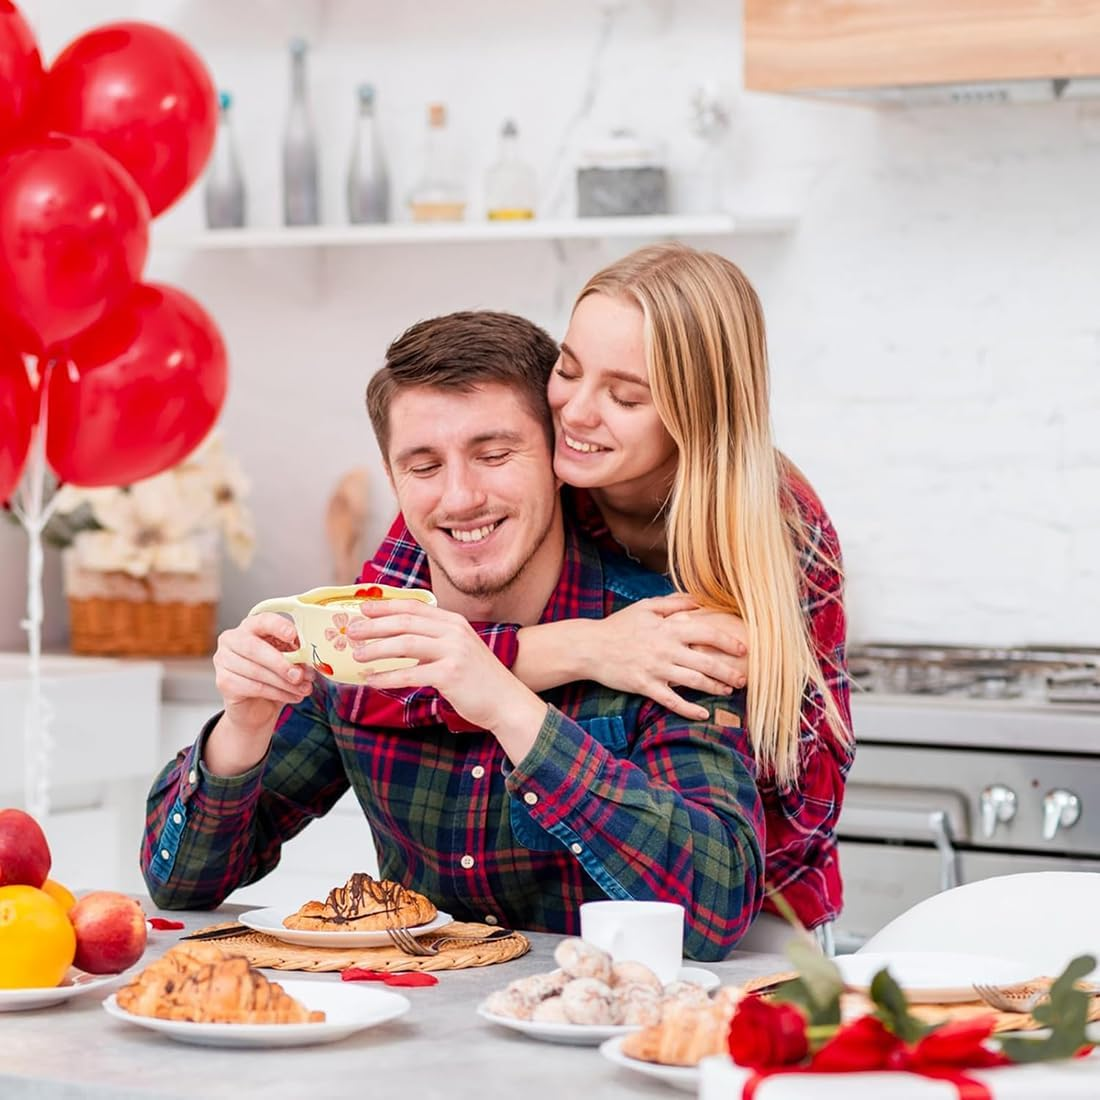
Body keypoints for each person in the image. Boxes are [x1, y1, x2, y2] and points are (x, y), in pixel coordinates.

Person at [141, 311, 766, 961]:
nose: (460, 497)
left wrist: (510, 708)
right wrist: (241, 731)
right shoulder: (355, 638)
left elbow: (715, 910)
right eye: (423, 465)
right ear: (392, 480)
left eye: (493, 455)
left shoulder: (657, 634)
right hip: (416, 1030)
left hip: (609, 1033)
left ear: (557, 459)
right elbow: (179, 885)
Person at [365, 244, 854, 935]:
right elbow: (374, 668)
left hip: (766, 917)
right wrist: (586, 649)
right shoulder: (501, 485)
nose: (575, 412)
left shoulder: (776, 532)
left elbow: (807, 797)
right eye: (568, 369)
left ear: (695, 415)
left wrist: (711, 732)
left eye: (625, 396)